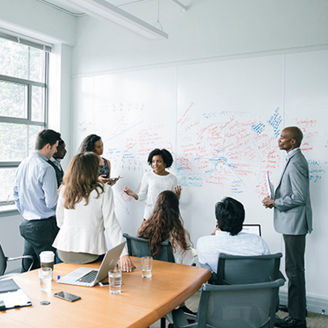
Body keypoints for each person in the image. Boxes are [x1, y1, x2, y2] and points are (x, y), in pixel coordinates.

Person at [262, 126, 312, 328]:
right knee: (294, 269)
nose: (279, 140)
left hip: (295, 224)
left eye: (283, 138)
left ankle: (297, 318)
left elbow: (300, 197)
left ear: (293, 142)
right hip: (291, 222)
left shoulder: (297, 161)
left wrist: (276, 203)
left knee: (294, 270)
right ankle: (297, 307)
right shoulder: (292, 159)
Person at [52, 152, 133, 271]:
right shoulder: (104, 190)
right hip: (90, 251)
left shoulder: (65, 189)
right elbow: (111, 225)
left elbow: (60, 222)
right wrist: (123, 254)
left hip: (63, 249)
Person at [13, 129, 61, 270]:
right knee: (50, 269)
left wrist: (27, 212)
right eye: (56, 147)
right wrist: (62, 195)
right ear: (48, 146)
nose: (55, 151)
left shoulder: (23, 164)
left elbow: (15, 194)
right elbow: (52, 202)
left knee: (29, 267)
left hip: (27, 224)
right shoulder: (46, 168)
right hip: (44, 227)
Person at [197, 197, 270, 274]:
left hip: (221, 286)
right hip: (255, 285)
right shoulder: (258, 241)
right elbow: (267, 268)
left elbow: (206, 273)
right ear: (242, 221)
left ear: (217, 221)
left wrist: (212, 238)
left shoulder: (203, 243)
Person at [137, 190, 193, 265]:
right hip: (173, 275)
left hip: (150, 273)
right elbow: (188, 263)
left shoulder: (145, 229)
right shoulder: (180, 235)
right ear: (176, 210)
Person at [124, 148, 181, 220]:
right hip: (149, 215)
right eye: (153, 161)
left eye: (159, 161)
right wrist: (133, 194)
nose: (155, 164)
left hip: (166, 217)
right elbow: (141, 196)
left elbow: (173, 201)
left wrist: (177, 197)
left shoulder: (172, 178)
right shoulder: (148, 176)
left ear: (165, 162)